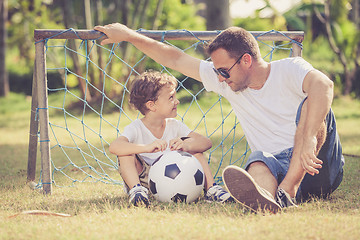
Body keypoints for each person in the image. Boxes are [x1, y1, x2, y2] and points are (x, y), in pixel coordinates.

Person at [96, 23, 344, 212]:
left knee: (311, 102)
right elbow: (175, 58)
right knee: (257, 161)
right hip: (275, 165)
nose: (221, 78)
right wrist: (128, 35)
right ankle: (267, 200)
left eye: (224, 71)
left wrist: (310, 136)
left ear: (246, 60)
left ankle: (286, 191)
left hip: (315, 163)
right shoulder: (228, 82)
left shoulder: (289, 68)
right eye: (217, 72)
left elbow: (324, 85)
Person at [108, 70, 232, 207]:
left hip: (174, 178)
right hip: (143, 179)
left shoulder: (175, 126)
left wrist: (187, 145)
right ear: (151, 105)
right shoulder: (136, 128)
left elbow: (206, 142)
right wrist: (146, 148)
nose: (177, 101)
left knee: (195, 150)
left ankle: (211, 189)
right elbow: (114, 147)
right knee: (125, 153)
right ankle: (136, 190)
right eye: (171, 97)